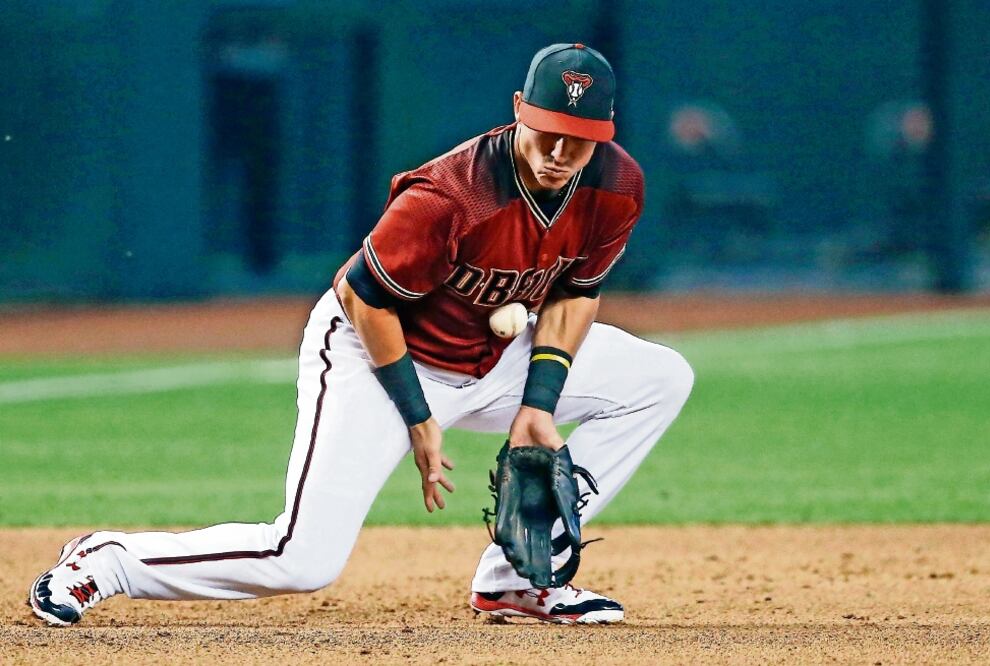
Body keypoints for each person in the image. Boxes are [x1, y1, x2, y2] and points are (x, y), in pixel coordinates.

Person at [29, 43, 694, 626]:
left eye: (576, 138)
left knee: (659, 379)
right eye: (546, 130)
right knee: (300, 559)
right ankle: (111, 561)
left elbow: (575, 292)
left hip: (492, 357)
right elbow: (362, 297)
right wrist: (418, 420)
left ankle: (514, 580)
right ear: (518, 107)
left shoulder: (615, 185)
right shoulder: (450, 195)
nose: (557, 152)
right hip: (374, 357)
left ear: (604, 133)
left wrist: (538, 406)